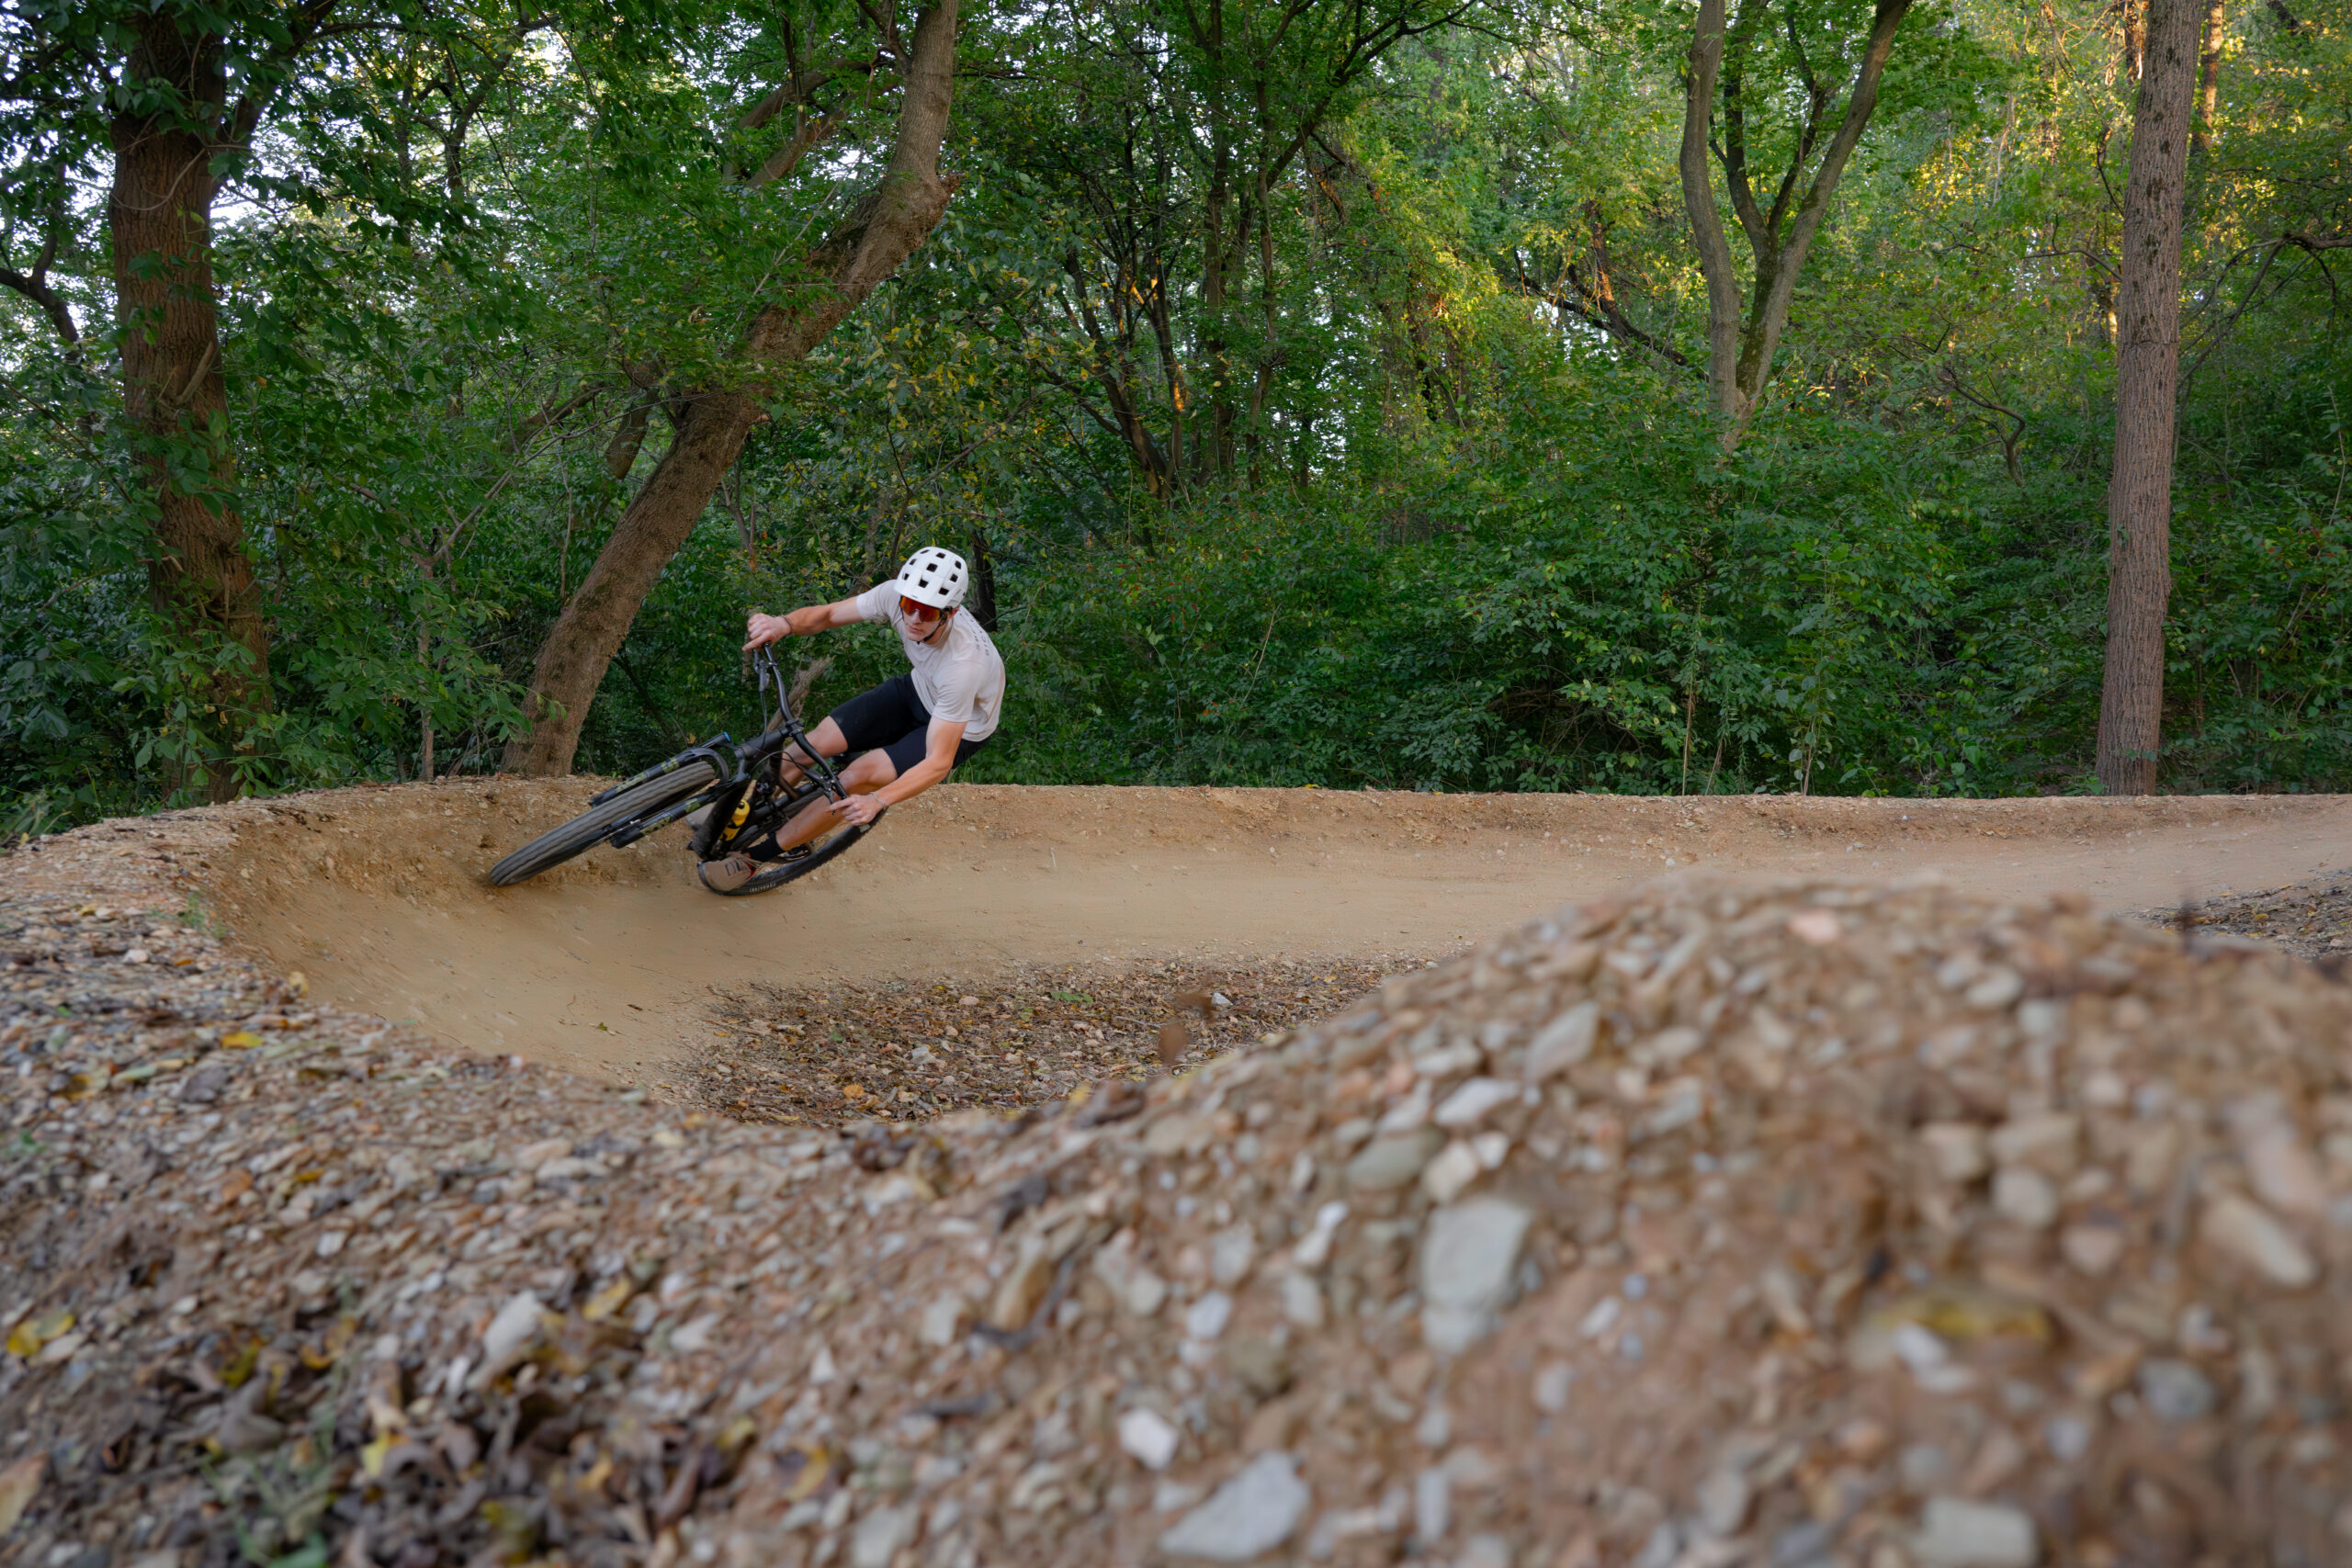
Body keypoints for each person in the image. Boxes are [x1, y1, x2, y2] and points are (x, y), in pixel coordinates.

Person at [695, 547, 1005, 892]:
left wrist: (878, 800)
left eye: (928, 612)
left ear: (951, 612)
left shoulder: (965, 665)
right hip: (919, 689)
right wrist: (783, 623)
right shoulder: (894, 596)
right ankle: (742, 817)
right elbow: (828, 615)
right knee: (808, 746)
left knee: (855, 778)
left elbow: (938, 763)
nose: (915, 619)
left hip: (963, 726)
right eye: (909, 606)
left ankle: (754, 859)